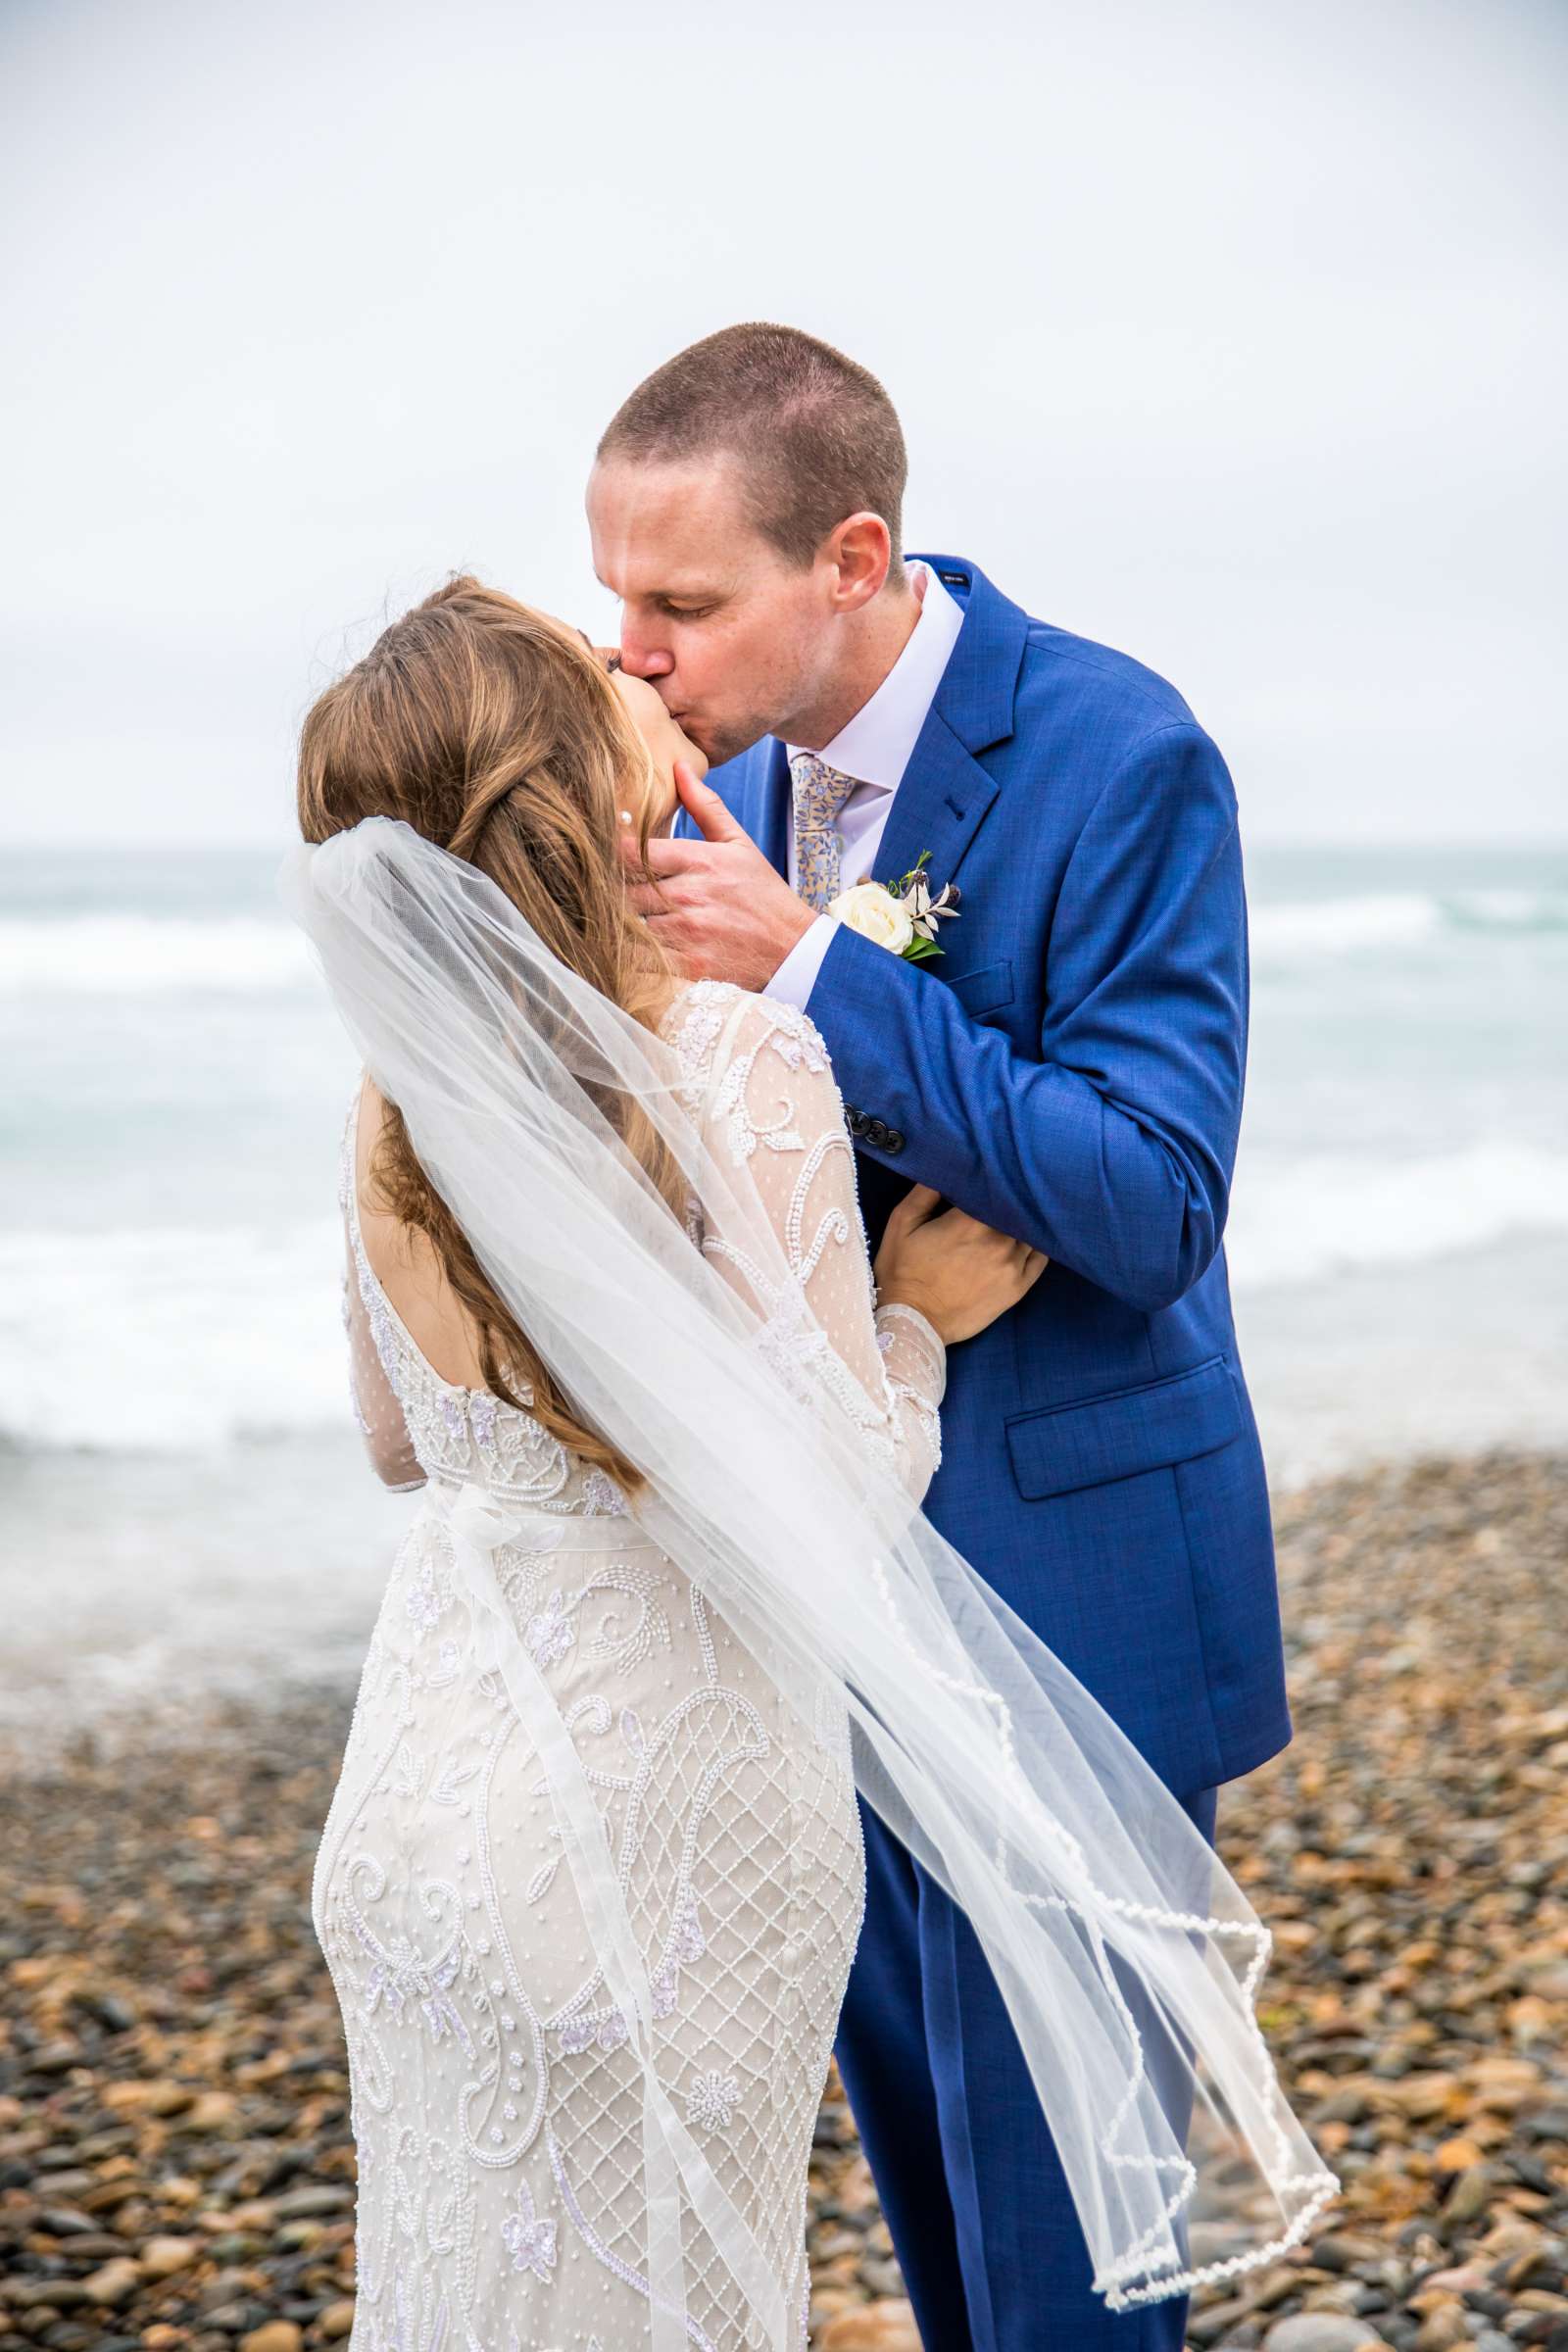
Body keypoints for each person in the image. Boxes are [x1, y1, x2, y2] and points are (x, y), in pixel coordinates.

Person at [587, 321, 1295, 2352]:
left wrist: (815, 970)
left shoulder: (1116, 752)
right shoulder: (700, 776)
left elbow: (1152, 1198)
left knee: (1071, 2270)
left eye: (679, 603)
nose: (626, 649)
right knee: (936, 2221)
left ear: (850, 557)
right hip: (810, 1606)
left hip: (1062, 1593)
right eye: (614, 593)